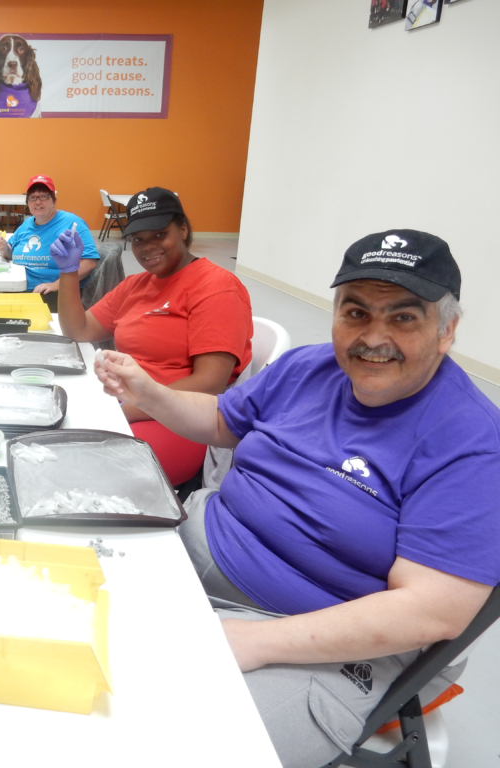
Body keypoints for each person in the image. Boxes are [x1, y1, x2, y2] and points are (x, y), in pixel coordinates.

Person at [94, 229, 500, 768]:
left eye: (404, 317)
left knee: (161, 748)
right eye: (355, 313)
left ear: (446, 331)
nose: (373, 337)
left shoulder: (470, 440)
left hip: (313, 642)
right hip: (190, 552)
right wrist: (150, 391)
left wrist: (255, 642)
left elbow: (430, 612)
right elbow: (220, 420)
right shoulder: (308, 367)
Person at [57, 187, 252, 485]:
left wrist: (132, 407)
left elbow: (210, 382)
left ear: (183, 229)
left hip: (178, 418)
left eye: (159, 234)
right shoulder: (136, 285)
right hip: (126, 402)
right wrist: (68, 271)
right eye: (138, 240)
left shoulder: (216, 287)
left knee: (78, 472)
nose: (148, 247)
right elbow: (78, 329)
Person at [0, 175, 98, 312]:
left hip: (53, 295)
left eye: (44, 197)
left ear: (54, 200)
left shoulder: (72, 224)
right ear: (28, 203)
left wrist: (56, 285)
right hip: (18, 287)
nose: (38, 202)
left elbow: (90, 263)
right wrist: (4, 248)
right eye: (33, 197)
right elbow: (11, 252)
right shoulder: (27, 223)